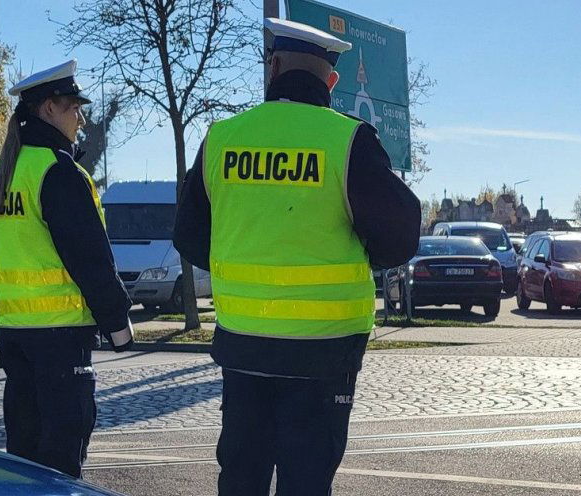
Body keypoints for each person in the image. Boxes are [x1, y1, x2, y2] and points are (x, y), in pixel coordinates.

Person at [173, 18, 421, 495]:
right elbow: (401, 235)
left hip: (243, 346)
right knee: (306, 483)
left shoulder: (222, 138)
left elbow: (187, 234)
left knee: (241, 478)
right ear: (330, 80)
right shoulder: (346, 141)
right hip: (323, 352)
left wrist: (243, 263)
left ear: (274, 67)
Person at [0, 59, 134, 478]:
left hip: (16, 337)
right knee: (60, 466)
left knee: (23, 462)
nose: (81, 117)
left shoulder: (2, 172)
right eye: (74, 107)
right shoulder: (58, 170)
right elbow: (89, 257)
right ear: (49, 109)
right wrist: (118, 324)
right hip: (61, 339)